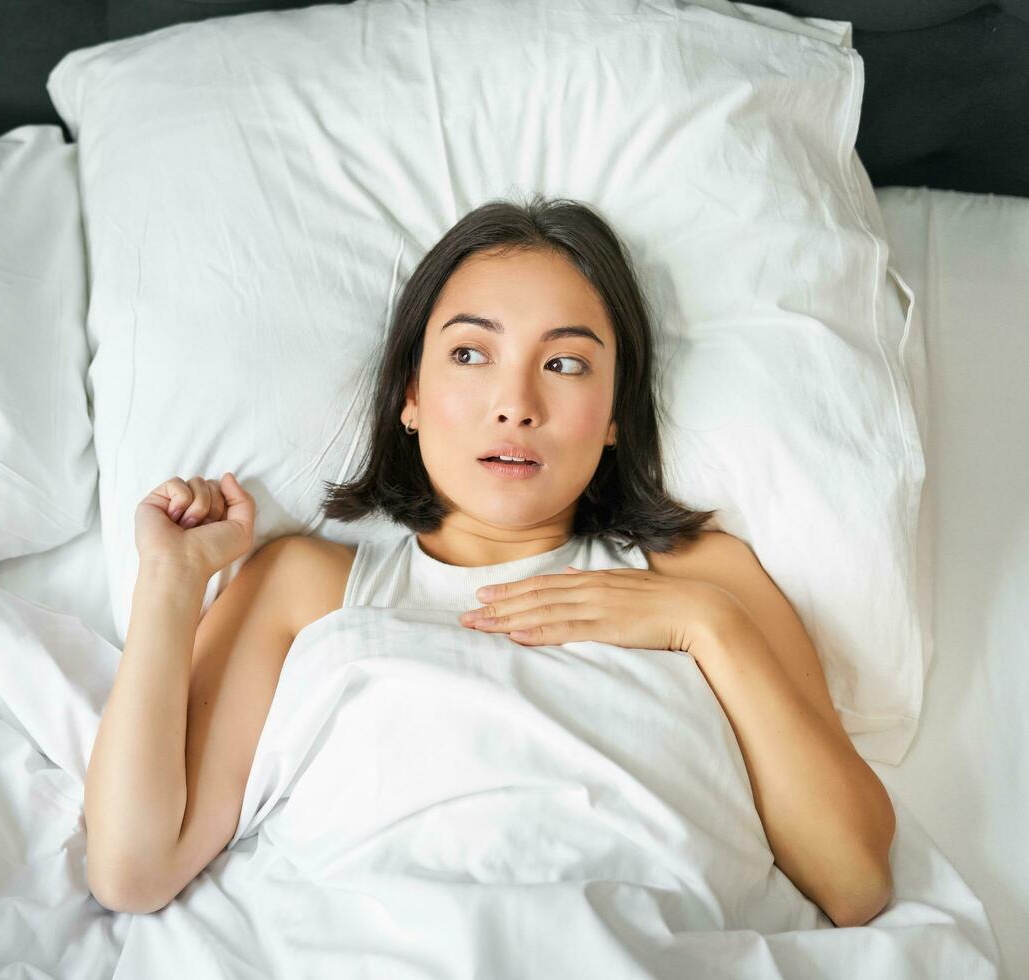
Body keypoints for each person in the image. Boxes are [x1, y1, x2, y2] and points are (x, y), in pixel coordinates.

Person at [82, 194, 896, 926]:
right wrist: (171, 582)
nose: (516, 403)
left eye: (566, 363)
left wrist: (704, 625)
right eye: (471, 355)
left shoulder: (701, 577)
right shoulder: (305, 583)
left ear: (616, 414)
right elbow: (133, 869)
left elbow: (854, 881)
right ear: (409, 393)